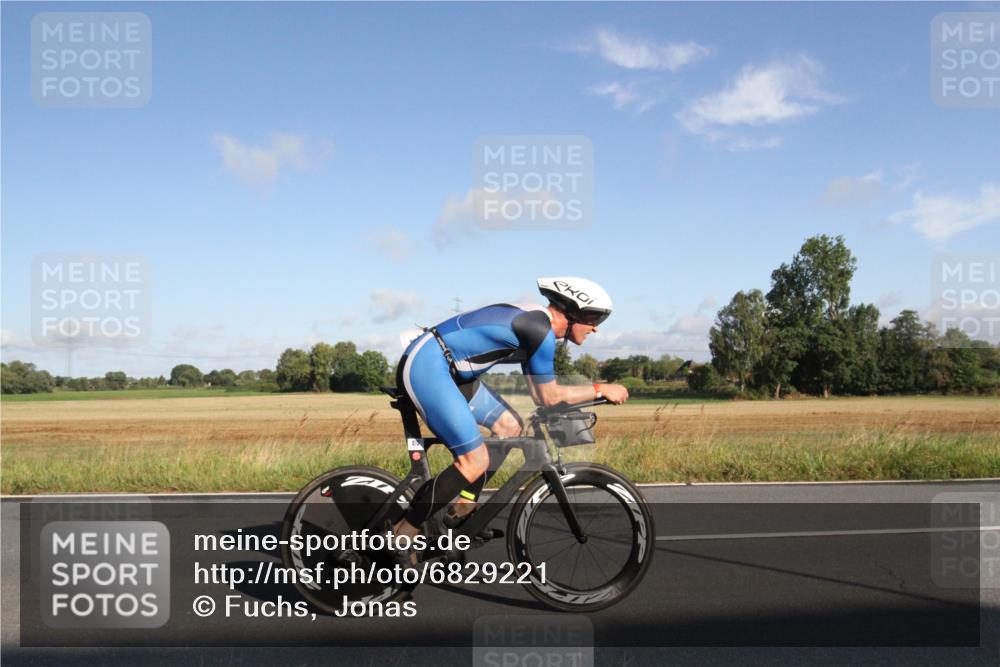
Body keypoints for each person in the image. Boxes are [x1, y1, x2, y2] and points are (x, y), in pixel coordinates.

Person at [390, 277, 629, 552]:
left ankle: (464, 505)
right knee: (473, 462)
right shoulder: (539, 329)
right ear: (573, 311)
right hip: (428, 366)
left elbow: (542, 395)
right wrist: (600, 389)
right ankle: (402, 533)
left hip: (453, 371)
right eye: (593, 317)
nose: (596, 328)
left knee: (510, 427)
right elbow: (547, 396)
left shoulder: (539, 328)